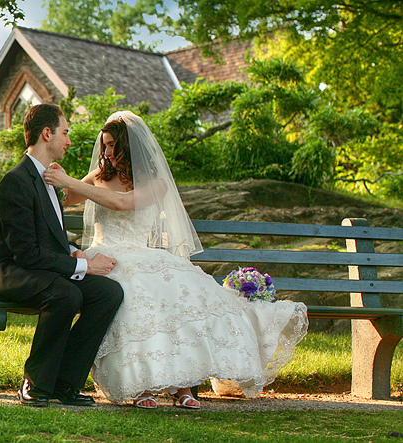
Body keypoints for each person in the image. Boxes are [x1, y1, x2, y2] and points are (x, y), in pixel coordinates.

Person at [43, 111, 308, 409]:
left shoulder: (156, 183)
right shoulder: (99, 176)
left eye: (112, 146)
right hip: (104, 255)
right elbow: (67, 198)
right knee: (135, 298)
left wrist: (70, 182)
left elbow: (122, 203)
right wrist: (60, 179)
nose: (106, 153)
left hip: (141, 253)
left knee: (179, 295)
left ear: (128, 147)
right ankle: (140, 384)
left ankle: (181, 385)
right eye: (104, 146)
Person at [0, 103, 124, 407]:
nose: (69, 140)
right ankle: (35, 382)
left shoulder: (48, 178)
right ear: (47, 134)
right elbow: (26, 254)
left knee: (109, 293)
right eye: (65, 133)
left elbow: (51, 237)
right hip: (12, 272)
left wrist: (74, 250)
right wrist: (84, 265)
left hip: (41, 269)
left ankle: (65, 383)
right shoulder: (16, 182)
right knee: (65, 294)